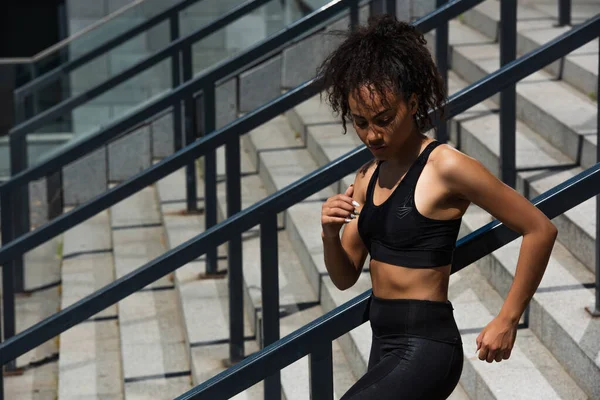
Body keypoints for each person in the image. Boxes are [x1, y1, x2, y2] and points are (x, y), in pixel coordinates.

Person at [317, 14, 558, 400]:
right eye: (360, 122)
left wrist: (508, 318)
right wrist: (330, 234)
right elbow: (345, 276)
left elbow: (539, 228)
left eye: (383, 119)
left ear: (412, 103)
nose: (372, 134)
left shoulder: (446, 166)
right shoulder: (366, 177)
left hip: (426, 347)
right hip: (383, 343)